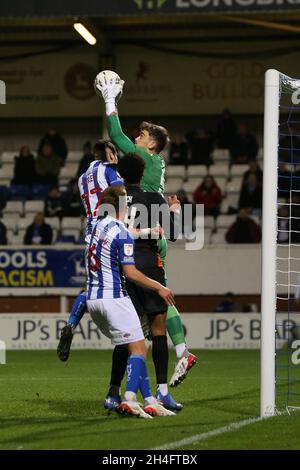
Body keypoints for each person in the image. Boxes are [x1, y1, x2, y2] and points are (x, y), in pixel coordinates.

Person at [95, 72, 197, 388]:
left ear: (151, 144)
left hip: (144, 229)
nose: (136, 137)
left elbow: (114, 132)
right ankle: (178, 353)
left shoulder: (145, 157)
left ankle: (176, 356)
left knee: (151, 303)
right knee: (154, 299)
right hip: (151, 224)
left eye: (142, 134)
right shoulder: (154, 162)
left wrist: (110, 98)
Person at [87, 185, 175, 418]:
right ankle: (129, 398)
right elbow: (131, 273)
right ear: (123, 205)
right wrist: (160, 286)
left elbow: (128, 231)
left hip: (93, 299)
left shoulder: (95, 227)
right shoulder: (122, 232)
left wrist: (146, 230)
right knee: (138, 349)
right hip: (114, 297)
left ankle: (149, 401)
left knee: (136, 344)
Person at [110, 153, 183, 412]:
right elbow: (173, 234)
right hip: (149, 267)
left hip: (121, 268)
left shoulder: (114, 197)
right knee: (158, 329)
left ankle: (114, 392)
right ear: (142, 175)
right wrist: (174, 210)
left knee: (127, 333)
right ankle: (162, 392)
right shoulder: (153, 198)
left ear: (121, 173)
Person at [57, 140, 123, 361]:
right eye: (115, 152)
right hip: (110, 228)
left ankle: (70, 325)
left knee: (91, 285)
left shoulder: (83, 177)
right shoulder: (110, 170)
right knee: (124, 278)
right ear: (109, 154)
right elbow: (123, 196)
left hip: (91, 232)